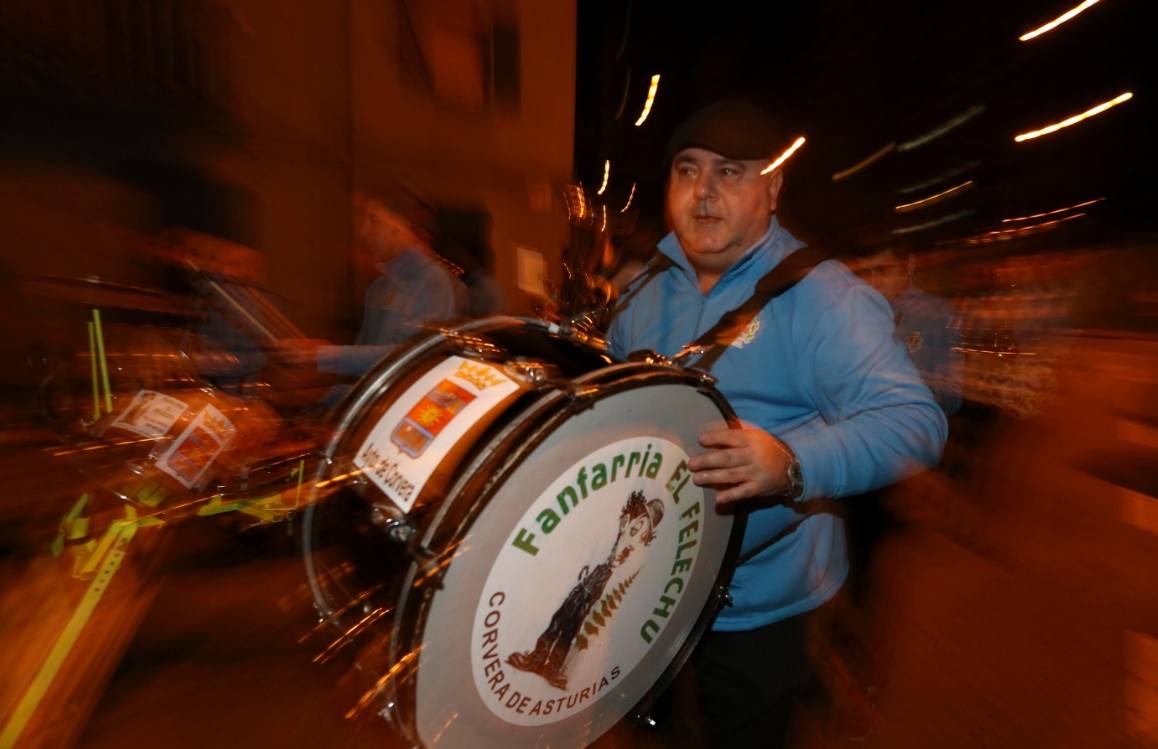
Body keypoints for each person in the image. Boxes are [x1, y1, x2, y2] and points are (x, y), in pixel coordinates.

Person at [606, 100, 947, 747]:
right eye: (687, 169)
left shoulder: (824, 297)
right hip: (646, 589)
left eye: (730, 172)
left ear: (772, 188)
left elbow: (914, 421)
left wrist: (792, 460)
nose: (704, 192)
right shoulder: (644, 287)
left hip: (757, 607)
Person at [275, 188, 467, 378]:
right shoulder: (378, 287)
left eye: (374, 221)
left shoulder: (434, 281)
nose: (364, 232)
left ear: (400, 228)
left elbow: (415, 357)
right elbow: (364, 367)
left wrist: (325, 354)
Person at [506, 491, 664, 690]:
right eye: (642, 515)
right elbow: (607, 551)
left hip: (603, 583)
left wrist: (624, 539)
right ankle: (537, 658)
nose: (640, 522)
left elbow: (621, 565)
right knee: (561, 616)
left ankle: (553, 667)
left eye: (645, 522)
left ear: (648, 530)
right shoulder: (627, 528)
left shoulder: (637, 546)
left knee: (572, 625)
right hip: (595, 577)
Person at [856, 245, 964, 415]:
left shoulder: (937, 313)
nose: (873, 283)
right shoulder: (859, 311)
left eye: (883, 271)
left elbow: (951, 394)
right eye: (865, 273)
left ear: (909, 265)